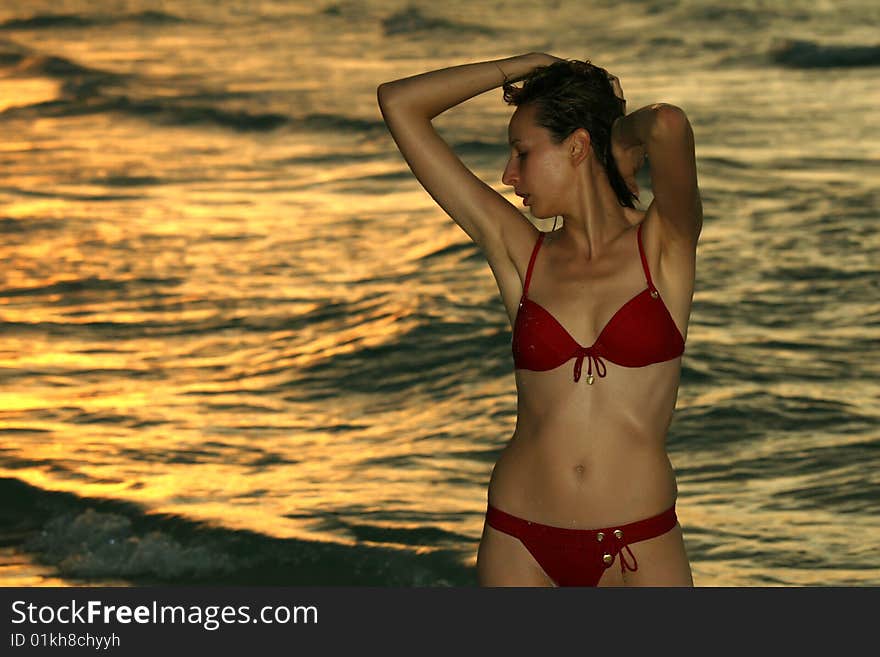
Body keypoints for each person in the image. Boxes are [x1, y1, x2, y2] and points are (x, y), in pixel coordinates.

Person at [377, 52, 702, 587]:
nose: (507, 175)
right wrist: (524, 64)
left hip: (638, 542)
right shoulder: (520, 253)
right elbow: (399, 103)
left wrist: (619, 143)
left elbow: (667, 124)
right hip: (518, 541)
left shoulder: (663, 245)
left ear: (577, 148)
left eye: (521, 153)